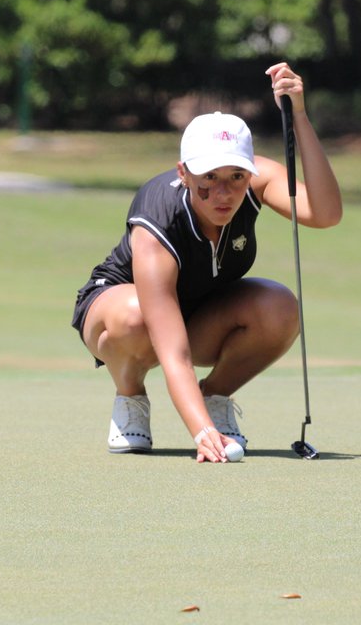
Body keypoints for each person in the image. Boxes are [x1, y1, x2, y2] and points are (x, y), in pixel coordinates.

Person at [70, 63, 343, 463]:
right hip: (118, 313)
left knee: (279, 306)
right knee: (135, 317)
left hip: (198, 313)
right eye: (209, 177)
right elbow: (173, 352)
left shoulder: (257, 181)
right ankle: (130, 396)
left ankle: (215, 396)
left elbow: (326, 213)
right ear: (183, 172)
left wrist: (298, 114)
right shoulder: (157, 220)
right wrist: (202, 433)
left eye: (236, 176)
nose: (223, 192)